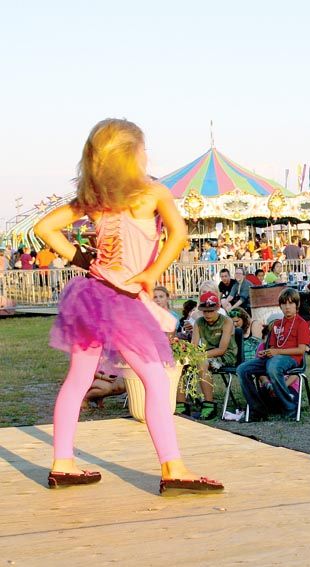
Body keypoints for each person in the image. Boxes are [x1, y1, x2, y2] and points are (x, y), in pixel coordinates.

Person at [34, 118, 221, 493]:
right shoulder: (152, 193)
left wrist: (83, 260)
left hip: (91, 295)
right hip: (123, 301)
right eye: (143, 148)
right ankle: (173, 468)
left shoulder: (94, 200)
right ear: (130, 156)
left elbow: (44, 228)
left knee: (78, 379)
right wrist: (152, 273)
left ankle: (62, 462)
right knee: (154, 378)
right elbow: (179, 234)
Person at [237, 288, 310, 421]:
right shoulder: (277, 324)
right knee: (242, 369)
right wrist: (267, 352)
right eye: (284, 304)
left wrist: (277, 352)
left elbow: (301, 350)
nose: (287, 307)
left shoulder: (302, 324)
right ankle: (257, 409)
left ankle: (289, 407)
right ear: (280, 306)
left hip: (292, 359)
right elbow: (272, 347)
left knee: (273, 367)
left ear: (297, 305)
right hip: (274, 358)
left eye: (291, 303)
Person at [191, 291, 238, 420]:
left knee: (201, 362)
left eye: (211, 311)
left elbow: (222, 349)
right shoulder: (199, 323)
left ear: (217, 308)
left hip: (226, 355)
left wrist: (200, 355)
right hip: (207, 354)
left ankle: (209, 404)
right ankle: (181, 404)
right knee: (183, 365)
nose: (207, 314)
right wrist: (190, 355)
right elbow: (193, 345)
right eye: (205, 311)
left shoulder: (226, 321)